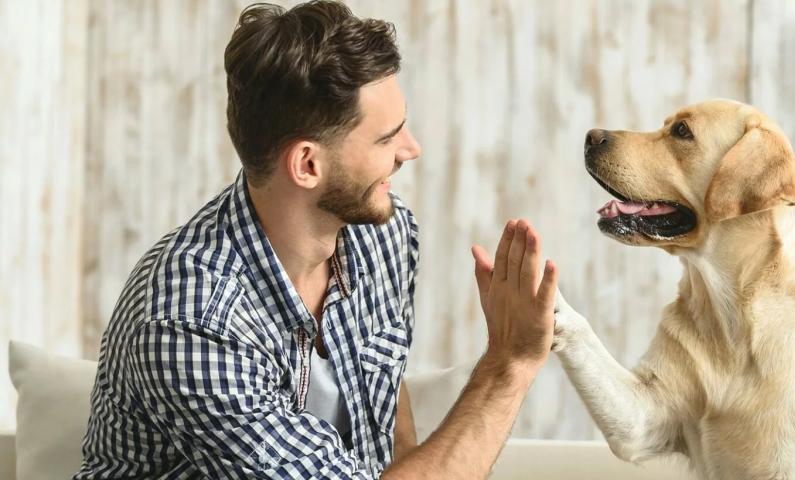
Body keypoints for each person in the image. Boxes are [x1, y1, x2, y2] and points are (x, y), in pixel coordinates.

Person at [75, 2, 558, 478]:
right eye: (386, 138)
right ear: (308, 165)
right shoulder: (193, 319)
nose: (411, 150)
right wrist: (508, 364)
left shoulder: (384, 238)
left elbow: (386, 409)